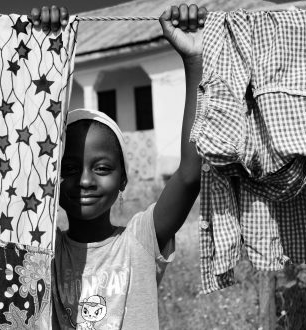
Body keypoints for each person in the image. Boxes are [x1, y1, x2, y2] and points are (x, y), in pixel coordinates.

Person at [31, 4, 206, 329]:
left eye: (101, 168)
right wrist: (43, 51)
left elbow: (189, 175)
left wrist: (194, 61)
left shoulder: (141, 240)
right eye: (68, 169)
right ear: (52, 179)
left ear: (123, 180)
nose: (84, 181)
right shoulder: (43, 250)